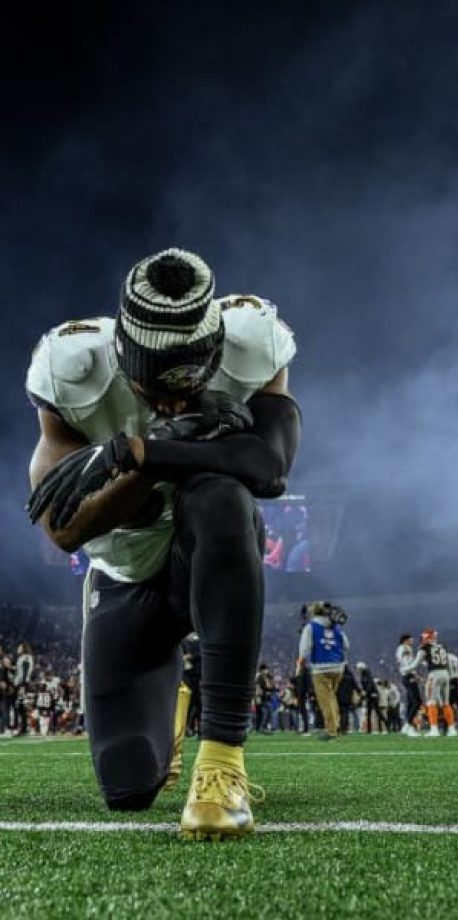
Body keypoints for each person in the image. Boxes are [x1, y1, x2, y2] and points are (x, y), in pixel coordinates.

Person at [25, 248, 301, 840]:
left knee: (221, 496)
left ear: (216, 351)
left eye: (189, 387)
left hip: (208, 553)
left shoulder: (252, 342)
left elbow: (269, 468)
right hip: (125, 577)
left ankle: (223, 761)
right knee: (127, 790)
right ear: (124, 361)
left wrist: (149, 449)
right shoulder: (71, 368)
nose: (173, 404)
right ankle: (168, 701)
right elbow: (64, 529)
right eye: (157, 392)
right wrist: (148, 472)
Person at [298, 601, 349, 740]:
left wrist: (300, 664)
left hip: (320, 668)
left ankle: (331, 730)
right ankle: (336, 725)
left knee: (325, 700)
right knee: (332, 697)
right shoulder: (336, 627)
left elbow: (304, 649)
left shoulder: (311, 626)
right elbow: (346, 645)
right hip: (338, 666)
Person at [409, 628, 457, 737]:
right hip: (445, 674)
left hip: (434, 675)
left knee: (431, 702)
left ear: (427, 637)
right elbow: (448, 663)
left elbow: (414, 664)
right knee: (445, 703)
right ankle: (452, 729)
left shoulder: (425, 647)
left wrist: (405, 669)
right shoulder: (443, 646)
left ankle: (434, 729)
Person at [395, 633, 423, 737]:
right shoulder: (405, 648)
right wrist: (412, 673)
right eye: (411, 638)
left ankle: (407, 726)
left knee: (411, 702)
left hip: (408, 675)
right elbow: (407, 663)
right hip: (408, 675)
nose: (412, 640)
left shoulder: (402, 648)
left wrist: (416, 675)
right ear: (405, 640)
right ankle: (408, 725)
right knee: (417, 701)